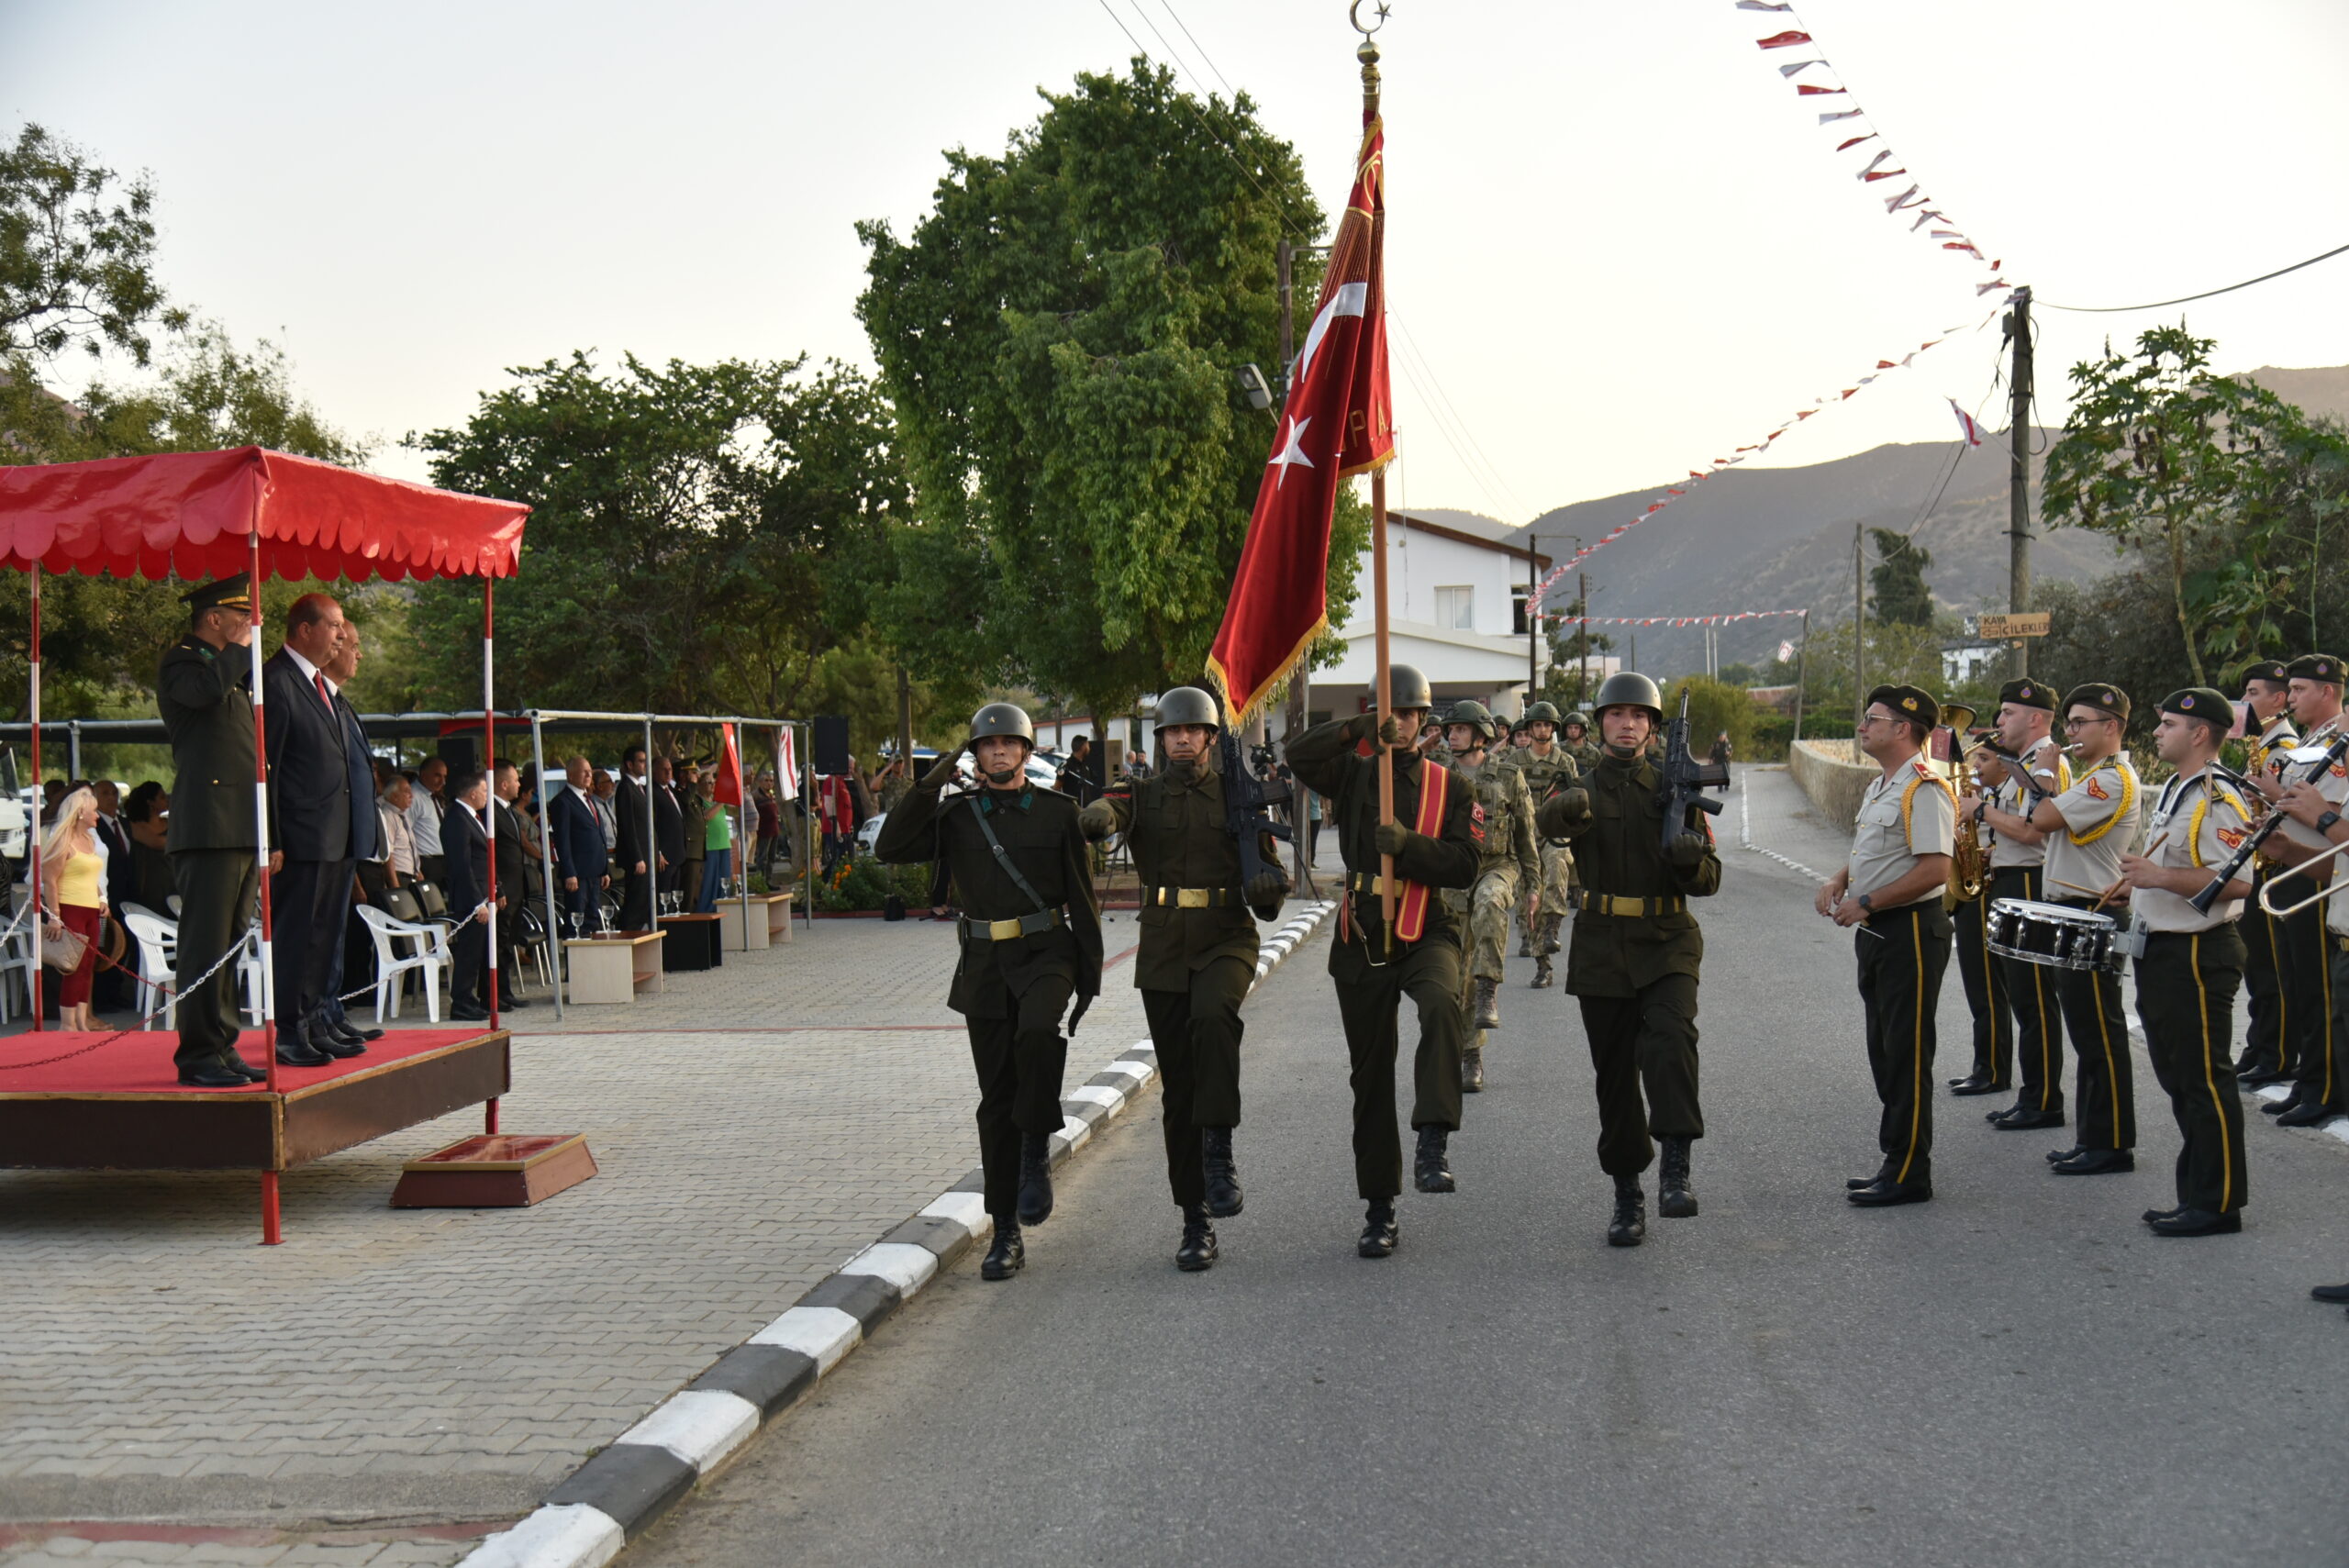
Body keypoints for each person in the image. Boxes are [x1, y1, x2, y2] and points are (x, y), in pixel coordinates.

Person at [875, 702, 1102, 1282]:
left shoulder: (1057, 813)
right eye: (986, 744)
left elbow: (1082, 896)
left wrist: (1091, 976)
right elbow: (890, 847)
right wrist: (930, 783)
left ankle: (1036, 1146)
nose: (998, 751)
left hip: (1048, 952)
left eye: (1008, 743)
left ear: (1026, 751)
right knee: (995, 1098)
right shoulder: (956, 814)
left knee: (1036, 1034)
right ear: (973, 754)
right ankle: (1006, 1230)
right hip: (983, 963)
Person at [1078, 686, 1286, 1271]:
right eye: (1173, 731)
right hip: (1166, 944)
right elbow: (1112, 808)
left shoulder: (1241, 797)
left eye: (1195, 731)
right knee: (1179, 1089)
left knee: (1214, 1016)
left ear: (1212, 739)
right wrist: (1097, 817)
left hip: (1226, 935)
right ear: (1161, 739)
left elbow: (1267, 883)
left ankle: (1218, 1149)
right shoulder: (1143, 795)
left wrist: (1270, 891)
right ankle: (1195, 1219)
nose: (1184, 739)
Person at [1282, 665, 1480, 1259]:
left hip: (1426, 925)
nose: (1405, 723)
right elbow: (1298, 756)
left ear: (1426, 722)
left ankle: (1433, 1137)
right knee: (1369, 1078)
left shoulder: (1451, 788)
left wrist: (1411, 848)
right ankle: (1379, 1207)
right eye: (1393, 713)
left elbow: (1465, 864)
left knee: (1443, 1003)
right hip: (1363, 932)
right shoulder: (1355, 773)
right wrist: (1356, 730)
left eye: (1414, 714)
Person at [1537, 672, 1723, 1243]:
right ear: (1600, 724)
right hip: (1600, 946)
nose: (1628, 724)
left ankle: (1675, 1166)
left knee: (1671, 1043)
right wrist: (1563, 811)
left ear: (1652, 728)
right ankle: (1626, 1193)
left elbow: (1710, 881)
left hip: (1667, 938)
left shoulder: (1677, 790)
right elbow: (1550, 823)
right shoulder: (1581, 788)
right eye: (1616, 714)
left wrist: (1691, 860)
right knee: (1614, 1078)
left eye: (1639, 716)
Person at [2113, 688, 2255, 1236]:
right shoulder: (2180, 788)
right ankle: (2196, 1192)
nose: (2156, 731)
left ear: (2199, 733)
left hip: (2197, 952)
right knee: (2179, 1078)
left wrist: (2159, 879)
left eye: (2168, 723)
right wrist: (2138, 890)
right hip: (2164, 948)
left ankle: (2218, 1204)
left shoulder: (2220, 796)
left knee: (2203, 1080)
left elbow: (2240, 881)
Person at [1818, 684, 1955, 1208]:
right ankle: (1893, 1159)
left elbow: (1936, 869)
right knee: (1883, 1051)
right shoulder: (1885, 786)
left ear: (1903, 728)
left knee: (1906, 1054)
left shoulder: (1924, 788)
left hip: (1911, 933)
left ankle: (1909, 1172)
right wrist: (1839, 879)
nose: (1861, 727)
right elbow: (1875, 853)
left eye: (1871, 719)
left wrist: (1868, 901)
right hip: (1879, 933)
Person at [2028, 684, 2143, 1174]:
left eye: (2079, 723)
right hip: (2075, 909)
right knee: (2085, 1031)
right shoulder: (2096, 776)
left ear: (2111, 727)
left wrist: (2045, 772)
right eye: (2069, 723)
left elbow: (2042, 819)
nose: (2069, 732)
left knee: (2100, 1033)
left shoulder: (2110, 779)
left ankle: (2111, 1143)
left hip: (2091, 911)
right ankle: (2093, 1136)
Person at [155, 576, 266, 1086]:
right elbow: (201, 696)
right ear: (214, 620)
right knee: (204, 943)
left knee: (229, 943)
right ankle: (198, 1052)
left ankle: (222, 1044)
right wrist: (239, 651)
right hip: (207, 824)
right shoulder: (183, 661)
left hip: (239, 822)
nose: (248, 624)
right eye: (239, 616)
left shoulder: (231, 671)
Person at [1956, 678, 2070, 1129]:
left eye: (2007, 713)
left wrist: (1979, 812)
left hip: (2029, 882)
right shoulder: (2024, 762)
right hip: (2011, 877)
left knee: (2035, 997)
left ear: (2035, 718)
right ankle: (2032, 1094)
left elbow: (2032, 831)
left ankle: (2044, 1099)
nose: (1999, 721)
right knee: (2023, 996)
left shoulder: (2047, 766)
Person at [262, 591, 359, 1068]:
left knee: (325, 936)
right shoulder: (276, 682)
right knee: (299, 937)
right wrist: (272, 837)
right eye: (335, 625)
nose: (342, 635)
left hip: (334, 837)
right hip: (299, 840)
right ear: (305, 630)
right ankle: (290, 1030)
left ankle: (318, 1018)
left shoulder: (320, 685)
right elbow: (269, 770)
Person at [2255, 654, 2345, 1127]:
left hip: (2324, 875)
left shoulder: (2339, 744)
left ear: (2328, 691)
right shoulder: (2313, 742)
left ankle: (2324, 1086)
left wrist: (2276, 796)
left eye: (2298, 690)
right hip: (2297, 866)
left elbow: (2324, 806)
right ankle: (2309, 1080)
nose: (2288, 699)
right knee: (2297, 984)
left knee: (2317, 988)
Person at [1439, 699, 1536, 1088]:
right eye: (1450, 730)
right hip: (1452, 877)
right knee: (1455, 978)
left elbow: (1527, 838)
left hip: (1498, 867)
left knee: (1491, 901)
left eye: (1460, 729)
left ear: (1480, 736)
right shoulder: (1438, 776)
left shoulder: (1509, 776)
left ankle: (1488, 989)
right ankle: (1470, 1056)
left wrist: (1532, 888)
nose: (1452, 735)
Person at [311, 626, 384, 1053]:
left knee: (334, 934)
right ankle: (314, 1017)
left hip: (346, 839)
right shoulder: (310, 696)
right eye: (348, 645)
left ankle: (331, 1010)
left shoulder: (340, 702)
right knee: (317, 935)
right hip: (320, 837)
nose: (354, 653)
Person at [2233, 660, 2299, 1085]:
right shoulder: (2265, 746)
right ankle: (2261, 1045)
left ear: (2279, 699)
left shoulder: (2286, 750)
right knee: (2258, 967)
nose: (2246, 702)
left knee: (2276, 970)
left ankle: (2276, 1053)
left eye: (2254, 694)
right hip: (2264, 864)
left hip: (2283, 866)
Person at [1947, 739, 2014, 1099]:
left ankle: (1992, 1070)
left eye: (1985, 759)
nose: (1977, 766)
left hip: (1987, 889)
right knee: (1979, 985)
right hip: (1978, 885)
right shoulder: (1992, 793)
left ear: (2006, 766)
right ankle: (1985, 1065)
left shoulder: (1999, 796)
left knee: (1988, 986)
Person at [1509, 700, 1578, 985]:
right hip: (1524, 834)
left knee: (1556, 864)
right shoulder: (1514, 762)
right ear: (1530, 728)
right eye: (1537, 724)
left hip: (1554, 831)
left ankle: (1552, 927)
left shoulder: (1565, 762)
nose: (1541, 729)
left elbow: (1576, 800)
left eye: (1546, 725)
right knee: (1528, 898)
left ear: (1553, 729)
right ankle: (1543, 964)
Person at [39, 785, 107, 1032]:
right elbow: (50, 880)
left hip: (90, 908)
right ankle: (67, 1023)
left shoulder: (89, 841)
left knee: (88, 966)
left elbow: (93, 877)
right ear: (80, 813)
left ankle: (80, 1019)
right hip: (71, 907)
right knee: (73, 967)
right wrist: (55, 916)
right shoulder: (63, 841)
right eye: (94, 811)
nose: (98, 816)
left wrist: (102, 899)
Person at [441, 769, 494, 1023]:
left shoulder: (470, 816)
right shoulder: (457, 818)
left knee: (477, 952)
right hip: (469, 898)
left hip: (483, 893)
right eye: (484, 791)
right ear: (472, 793)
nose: (487, 796)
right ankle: (460, 1002)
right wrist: (477, 903)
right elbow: (462, 865)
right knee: (468, 953)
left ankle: (469, 999)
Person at [547, 756, 609, 936]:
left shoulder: (588, 799)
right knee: (576, 919)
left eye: (590, 771)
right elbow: (562, 840)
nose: (589, 775)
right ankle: (574, 961)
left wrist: (604, 869)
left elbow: (598, 833)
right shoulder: (563, 802)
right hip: (578, 873)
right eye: (584, 771)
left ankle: (589, 960)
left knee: (592, 919)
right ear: (571, 774)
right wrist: (569, 872)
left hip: (595, 870)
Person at [490, 761, 533, 1007]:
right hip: (504, 885)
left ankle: (504, 992)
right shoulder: (491, 811)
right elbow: (492, 852)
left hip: (516, 886)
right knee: (499, 941)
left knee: (508, 941)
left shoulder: (508, 810)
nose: (520, 784)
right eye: (516, 780)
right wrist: (498, 886)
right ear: (504, 784)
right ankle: (493, 994)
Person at [617, 745, 654, 930]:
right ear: (630, 765)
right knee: (635, 901)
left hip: (648, 854)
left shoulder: (640, 788)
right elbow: (628, 826)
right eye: (640, 761)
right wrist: (637, 857)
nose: (644, 765)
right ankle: (627, 935)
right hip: (638, 858)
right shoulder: (625, 788)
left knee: (645, 900)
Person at [408, 755, 449, 887]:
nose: (443, 782)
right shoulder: (413, 796)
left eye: (444, 777)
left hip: (440, 862)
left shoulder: (433, 796)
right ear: (423, 774)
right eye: (437, 775)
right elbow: (405, 833)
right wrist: (416, 867)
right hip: (425, 862)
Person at [653, 754, 686, 905]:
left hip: (678, 854)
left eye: (670, 770)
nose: (668, 773)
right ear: (654, 771)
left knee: (675, 898)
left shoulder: (671, 791)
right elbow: (652, 825)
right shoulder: (651, 792)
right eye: (663, 770)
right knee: (663, 898)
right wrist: (658, 851)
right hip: (664, 857)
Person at [696, 785, 735, 912]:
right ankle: (707, 910)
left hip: (724, 844)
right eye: (708, 782)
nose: (712, 785)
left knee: (725, 880)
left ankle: (723, 907)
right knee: (710, 880)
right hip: (711, 845)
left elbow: (735, 811)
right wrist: (721, 801)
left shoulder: (715, 801)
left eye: (713, 782)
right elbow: (706, 816)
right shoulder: (699, 801)